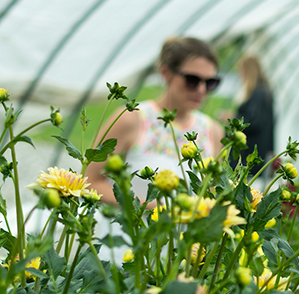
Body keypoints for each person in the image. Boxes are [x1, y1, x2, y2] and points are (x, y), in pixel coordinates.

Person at [83, 36, 225, 208]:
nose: (201, 90)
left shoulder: (213, 131)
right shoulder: (132, 119)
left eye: (210, 83)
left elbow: (212, 195)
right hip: (132, 232)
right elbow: (89, 181)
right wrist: (148, 209)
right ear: (166, 73)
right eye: (192, 80)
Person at [232, 54, 276, 165]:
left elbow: (254, 121)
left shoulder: (259, 93)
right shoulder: (262, 91)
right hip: (256, 149)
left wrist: (234, 119)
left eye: (242, 71)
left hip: (253, 151)